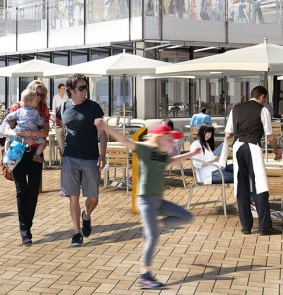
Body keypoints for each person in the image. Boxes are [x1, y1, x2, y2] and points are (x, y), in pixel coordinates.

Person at [96, 119, 193, 291]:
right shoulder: (146, 150)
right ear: (159, 138)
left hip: (158, 202)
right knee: (152, 237)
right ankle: (145, 276)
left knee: (186, 216)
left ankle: (157, 223)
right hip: (146, 201)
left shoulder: (162, 156)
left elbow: (174, 161)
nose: (172, 142)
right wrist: (106, 127)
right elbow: (125, 141)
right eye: (169, 139)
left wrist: (192, 154)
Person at [224, 85, 282, 236]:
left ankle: (246, 226)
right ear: (262, 96)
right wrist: (276, 150)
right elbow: (270, 136)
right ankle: (264, 226)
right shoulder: (263, 110)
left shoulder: (235, 109)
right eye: (265, 99)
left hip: (237, 147)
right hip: (253, 146)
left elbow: (228, 133)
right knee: (260, 185)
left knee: (241, 185)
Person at [0, 81, 51, 246]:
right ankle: (24, 232)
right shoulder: (16, 108)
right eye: (37, 93)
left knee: (33, 191)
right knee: (21, 190)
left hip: (35, 154)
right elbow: (6, 130)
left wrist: (29, 132)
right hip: (18, 152)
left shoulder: (43, 110)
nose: (39, 97)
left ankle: (28, 225)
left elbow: (45, 131)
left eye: (42, 94)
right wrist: (21, 137)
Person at [59, 73, 107, 248]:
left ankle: (86, 216)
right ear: (71, 90)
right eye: (81, 88)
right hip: (70, 158)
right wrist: (62, 152)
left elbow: (102, 133)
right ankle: (77, 233)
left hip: (90, 158)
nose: (84, 91)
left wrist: (102, 154)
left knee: (93, 197)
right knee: (73, 197)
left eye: (85, 87)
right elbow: (61, 130)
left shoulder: (93, 108)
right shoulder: (63, 107)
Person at [1, 89, 48, 163]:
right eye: (36, 101)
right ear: (31, 102)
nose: (37, 102)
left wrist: (6, 118)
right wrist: (43, 120)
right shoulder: (35, 112)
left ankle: (6, 153)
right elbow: (40, 122)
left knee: (8, 139)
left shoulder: (19, 111)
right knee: (43, 142)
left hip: (19, 132)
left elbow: (10, 116)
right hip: (33, 136)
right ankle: (36, 155)